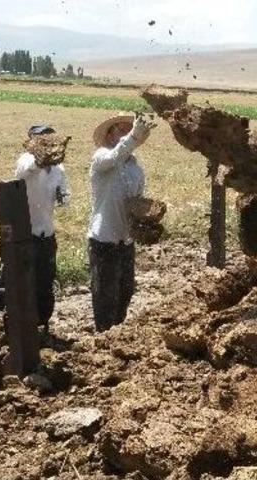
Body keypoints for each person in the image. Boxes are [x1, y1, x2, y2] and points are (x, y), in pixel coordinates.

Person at [0, 124, 71, 332]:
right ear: (32, 141)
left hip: (45, 232)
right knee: (10, 278)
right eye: (42, 139)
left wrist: (63, 197)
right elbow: (27, 169)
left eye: (50, 138)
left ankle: (40, 325)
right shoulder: (26, 159)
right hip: (23, 233)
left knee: (44, 280)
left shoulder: (59, 169)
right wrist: (41, 156)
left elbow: (64, 197)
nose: (48, 143)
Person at [87, 112, 155, 331]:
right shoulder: (101, 158)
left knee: (125, 292)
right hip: (104, 239)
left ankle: (117, 338)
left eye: (130, 128)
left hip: (126, 240)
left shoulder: (135, 167)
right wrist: (133, 138)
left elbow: (135, 202)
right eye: (121, 129)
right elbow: (114, 157)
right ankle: (103, 338)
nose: (127, 132)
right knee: (105, 296)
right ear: (109, 135)